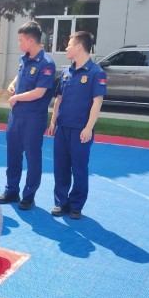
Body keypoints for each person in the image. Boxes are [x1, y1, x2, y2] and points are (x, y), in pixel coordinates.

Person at [0, 21, 56, 209]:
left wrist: (16, 97)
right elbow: (20, 75)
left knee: (32, 157)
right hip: (16, 117)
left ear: (30, 40)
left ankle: (28, 195)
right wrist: (13, 84)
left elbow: (39, 92)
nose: (19, 43)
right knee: (13, 155)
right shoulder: (25, 59)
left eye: (21, 40)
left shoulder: (46, 64)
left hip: (33, 119)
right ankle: (11, 191)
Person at [48, 31, 106, 219]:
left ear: (80, 47)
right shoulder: (66, 72)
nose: (66, 48)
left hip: (81, 130)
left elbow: (97, 102)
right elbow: (59, 99)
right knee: (60, 167)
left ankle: (76, 205)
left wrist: (88, 128)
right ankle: (61, 202)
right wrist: (53, 121)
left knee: (79, 169)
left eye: (69, 44)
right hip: (63, 129)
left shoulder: (96, 73)